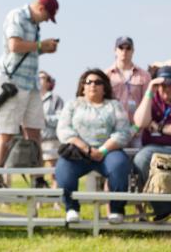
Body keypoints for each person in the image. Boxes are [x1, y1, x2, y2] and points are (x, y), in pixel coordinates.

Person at [0, 0, 59, 188]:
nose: (47, 20)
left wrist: (44, 49)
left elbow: (28, 50)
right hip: (12, 82)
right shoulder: (17, 16)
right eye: (48, 15)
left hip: (31, 83)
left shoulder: (35, 24)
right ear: (40, 7)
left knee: (35, 130)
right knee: (6, 132)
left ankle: (37, 178)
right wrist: (40, 45)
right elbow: (14, 45)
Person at [55, 69, 132, 224]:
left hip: (108, 151)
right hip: (79, 151)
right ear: (82, 87)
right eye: (88, 82)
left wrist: (102, 150)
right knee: (64, 167)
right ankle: (72, 208)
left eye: (98, 82)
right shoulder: (73, 104)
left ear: (105, 88)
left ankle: (116, 210)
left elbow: (123, 132)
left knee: (120, 165)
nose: (93, 85)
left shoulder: (114, 105)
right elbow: (64, 129)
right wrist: (86, 149)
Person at [133, 65, 171, 222]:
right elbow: (140, 122)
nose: (166, 88)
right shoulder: (151, 97)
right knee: (141, 159)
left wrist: (161, 127)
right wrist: (150, 88)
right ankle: (163, 209)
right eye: (162, 84)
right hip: (155, 148)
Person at [105, 36, 151, 147]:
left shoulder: (144, 75)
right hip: (114, 130)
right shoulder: (106, 75)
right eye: (121, 47)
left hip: (138, 130)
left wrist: (136, 127)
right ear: (115, 50)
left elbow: (149, 103)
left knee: (139, 161)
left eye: (128, 48)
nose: (124, 51)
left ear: (133, 51)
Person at [38, 70, 64, 188]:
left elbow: (60, 118)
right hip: (36, 140)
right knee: (37, 172)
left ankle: (56, 201)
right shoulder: (32, 98)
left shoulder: (56, 99)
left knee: (54, 171)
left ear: (49, 82)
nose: (39, 80)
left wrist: (44, 118)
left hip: (51, 139)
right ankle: (38, 201)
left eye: (42, 78)